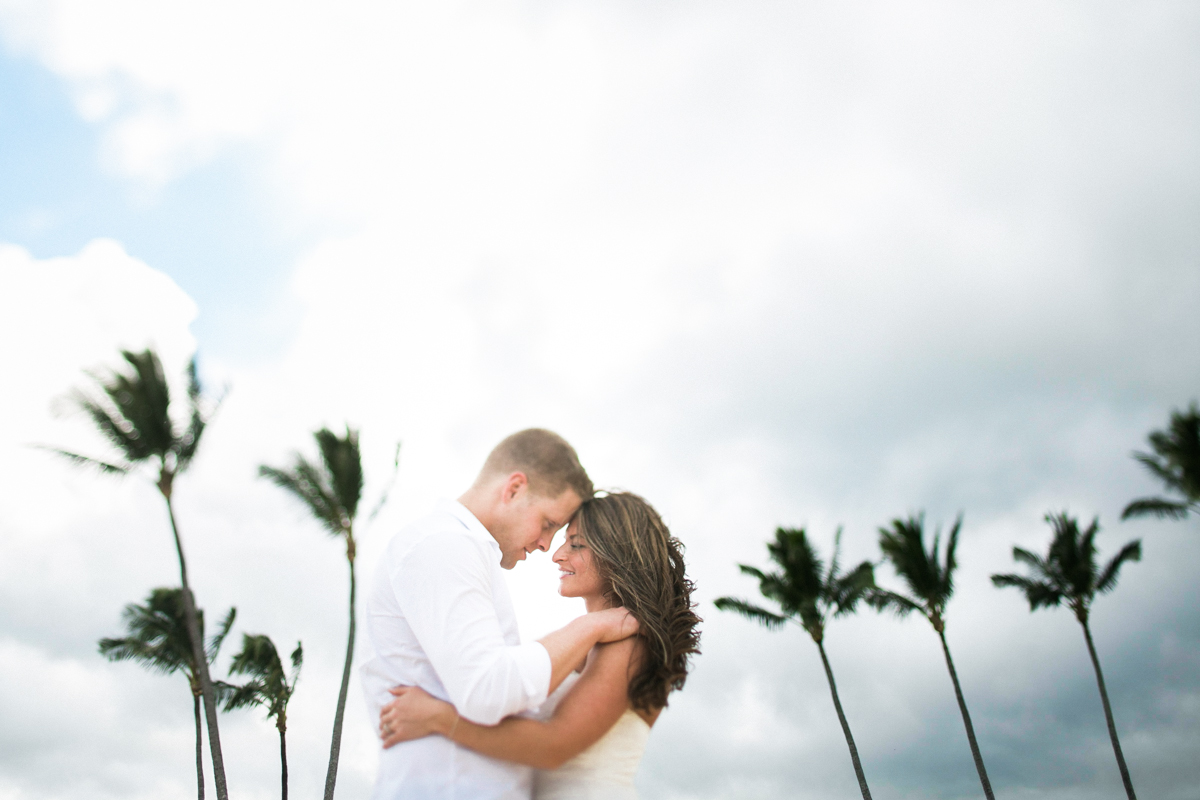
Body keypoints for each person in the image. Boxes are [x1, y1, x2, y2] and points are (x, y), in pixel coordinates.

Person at [360, 429, 640, 800]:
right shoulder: (445, 546)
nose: (546, 545)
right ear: (514, 489)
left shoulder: (462, 550)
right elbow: (488, 690)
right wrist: (591, 626)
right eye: (548, 524)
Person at [378, 491, 702, 800]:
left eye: (575, 545)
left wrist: (437, 717)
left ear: (616, 553)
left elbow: (555, 747)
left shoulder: (630, 643)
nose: (557, 555)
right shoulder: (590, 637)